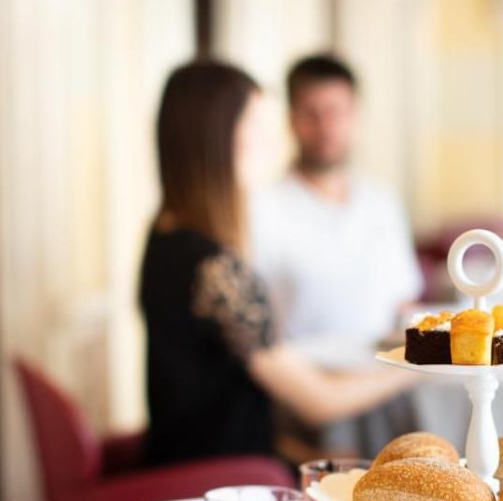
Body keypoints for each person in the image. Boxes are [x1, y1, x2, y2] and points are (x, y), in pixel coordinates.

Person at [138, 61, 416, 464]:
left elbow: (213, 399)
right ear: (219, 137)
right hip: (222, 481)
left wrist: (303, 453)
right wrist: (423, 366)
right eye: (253, 124)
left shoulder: (167, 236)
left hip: (214, 462)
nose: (267, 140)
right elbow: (319, 401)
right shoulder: (213, 268)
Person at [250, 54, 423, 344]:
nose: (326, 127)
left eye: (336, 112)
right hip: (298, 369)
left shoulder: (382, 202)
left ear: (355, 116)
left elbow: (403, 300)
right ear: (291, 119)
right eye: (312, 113)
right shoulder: (261, 207)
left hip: (379, 365)